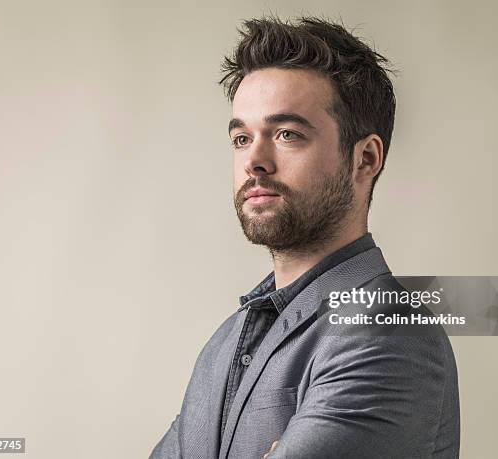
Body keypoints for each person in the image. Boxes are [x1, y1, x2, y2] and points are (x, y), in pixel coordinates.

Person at [149, 16, 460, 459]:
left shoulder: (389, 335)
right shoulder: (223, 344)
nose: (254, 161)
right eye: (241, 138)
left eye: (286, 134)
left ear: (365, 159)